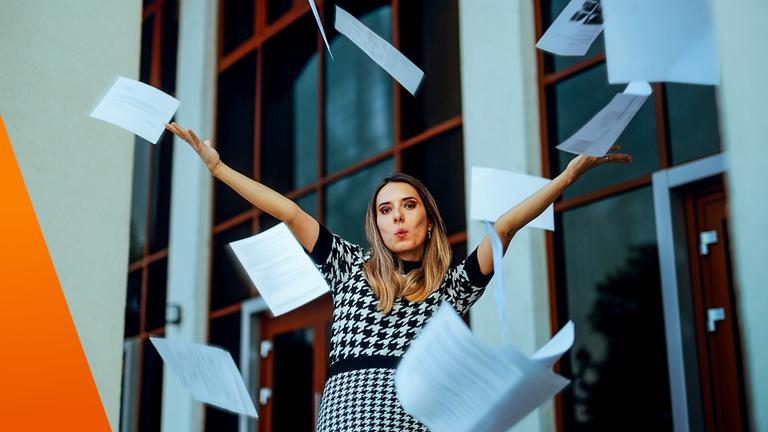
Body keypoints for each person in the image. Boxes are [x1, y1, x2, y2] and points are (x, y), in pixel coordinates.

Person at [165, 122, 631, 431]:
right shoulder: (348, 266)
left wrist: (567, 177)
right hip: (342, 421)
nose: (399, 218)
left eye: (409, 206)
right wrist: (219, 168)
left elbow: (505, 227)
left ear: (428, 218)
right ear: (377, 225)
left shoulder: (452, 288)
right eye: (386, 210)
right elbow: (288, 212)